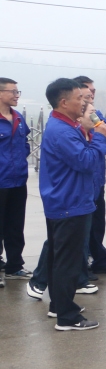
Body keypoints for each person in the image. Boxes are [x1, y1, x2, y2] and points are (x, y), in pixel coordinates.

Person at [38, 78, 106, 330]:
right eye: (79, 98)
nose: (85, 102)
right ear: (63, 101)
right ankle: (67, 318)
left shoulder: (66, 125)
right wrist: (100, 137)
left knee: (60, 259)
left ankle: (59, 305)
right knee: (67, 261)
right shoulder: (63, 131)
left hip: (66, 199)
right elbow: (86, 161)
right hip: (70, 202)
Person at [76, 77, 106, 276]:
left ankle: (99, 259)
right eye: (87, 92)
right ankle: (81, 263)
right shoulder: (73, 119)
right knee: (81, 228)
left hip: (97, 179)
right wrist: (98, 135)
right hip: (82, 181)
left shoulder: (96, 113)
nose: (91, 94)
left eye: (93, 91)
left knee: (97, 222)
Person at [0, 77, 31, 287]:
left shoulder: (18, 117)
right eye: (13, 92)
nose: (16, 95)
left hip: (18, 180)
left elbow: (25, 143)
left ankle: (14, 266)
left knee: (15, 225)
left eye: (18, 91)